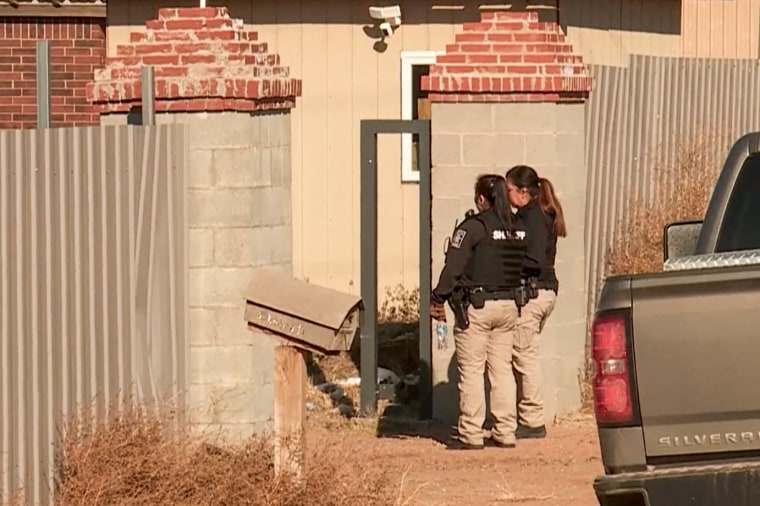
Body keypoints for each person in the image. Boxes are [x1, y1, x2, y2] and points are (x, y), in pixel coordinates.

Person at [430, 174, 528, 450]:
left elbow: (454, 268)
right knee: (502, 371)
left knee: (472, 371)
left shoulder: (473, 227)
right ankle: (506, 431)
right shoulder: (518, 227)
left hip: (477, 307)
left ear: (482, 198)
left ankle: (471, 433)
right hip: (509, 306)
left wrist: (438, 297)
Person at [504, 165, 567, 440]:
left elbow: (534, 259)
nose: (505, 196)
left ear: (523, 191)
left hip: (534, 293)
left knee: (524, 355)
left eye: (508, 190)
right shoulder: (539, 213)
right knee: (525, 353)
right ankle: (529, 417)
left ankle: (531, 420)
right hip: (543, 292)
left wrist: (507, 267)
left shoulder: (533, 217)